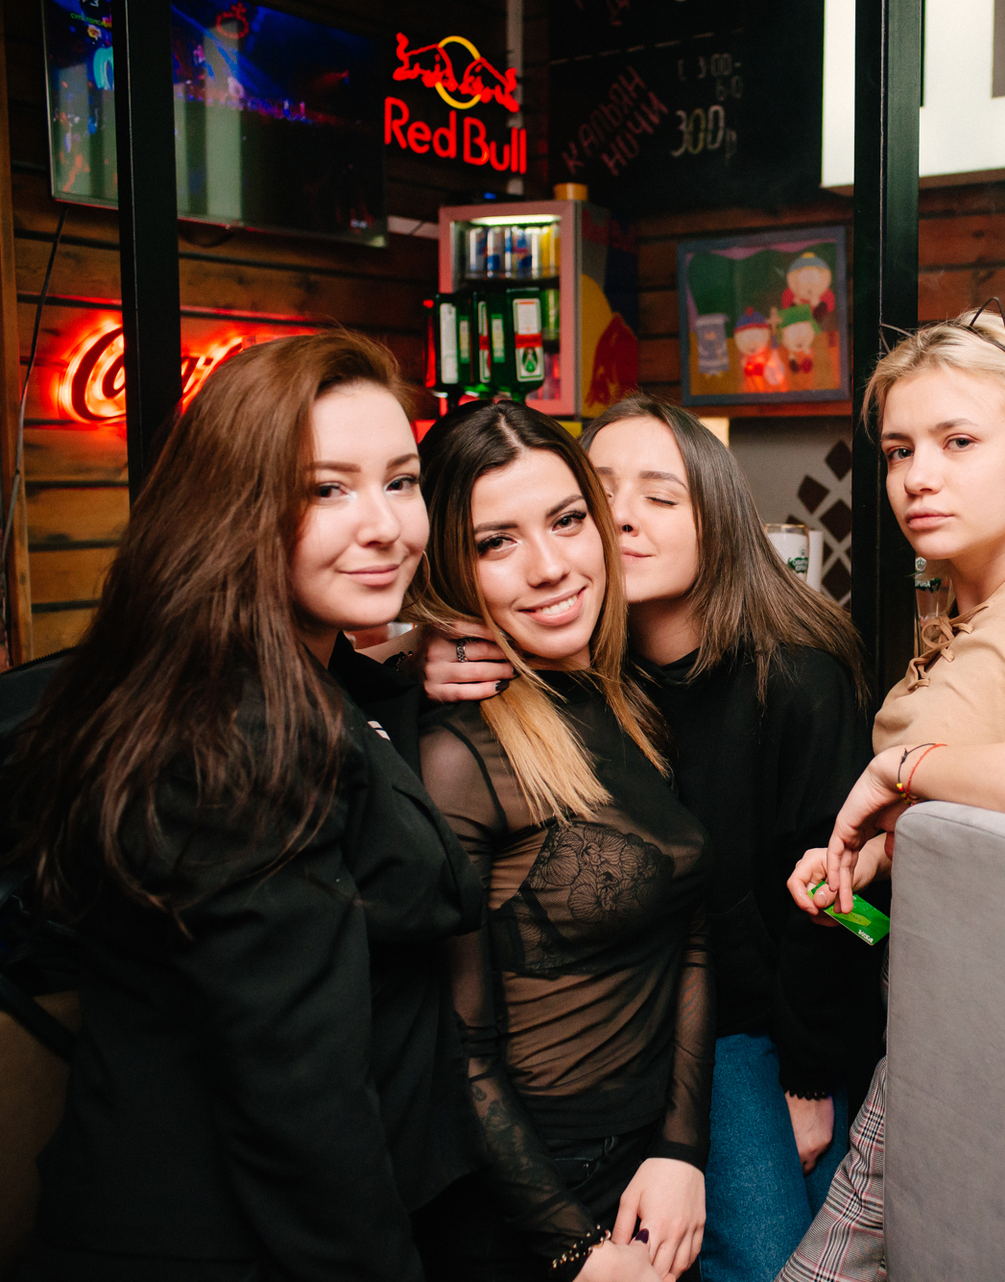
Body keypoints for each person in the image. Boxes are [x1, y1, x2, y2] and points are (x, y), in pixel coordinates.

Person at [0, 333, 485, 1280]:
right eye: (327, 490)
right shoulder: (241, 734)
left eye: (402, 481)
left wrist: (400, 664)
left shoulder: (266, 674)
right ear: (238, 508)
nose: (386, 526)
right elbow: (300, 1105)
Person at [416, 392, 885, 1282]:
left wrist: (809, 1074)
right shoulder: (586, 671)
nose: (623, 516)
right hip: (625, 1066)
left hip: (758, 1034)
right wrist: (421, 653)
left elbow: (848, 907)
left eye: (660, 496)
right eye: (601, 495)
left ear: (720, 519)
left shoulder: (792, 681)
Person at [780, 306, 1005, 1281]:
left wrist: (898, 768)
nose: (917, 476)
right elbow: (976, 831)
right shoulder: (955, 615)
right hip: (934, 1020)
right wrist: (860, 867)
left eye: (958, 441)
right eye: (900, 450)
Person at [406, 401, 709, 1282]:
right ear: (449, 565)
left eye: (568, 520)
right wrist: (575, 1250)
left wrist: (681, 1150)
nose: (548, 567)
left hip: (648, 1177)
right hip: (528, 1199)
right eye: (495, 542)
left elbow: (688, 934)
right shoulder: (457, 757)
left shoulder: (629, 702)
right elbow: (456, 1050)